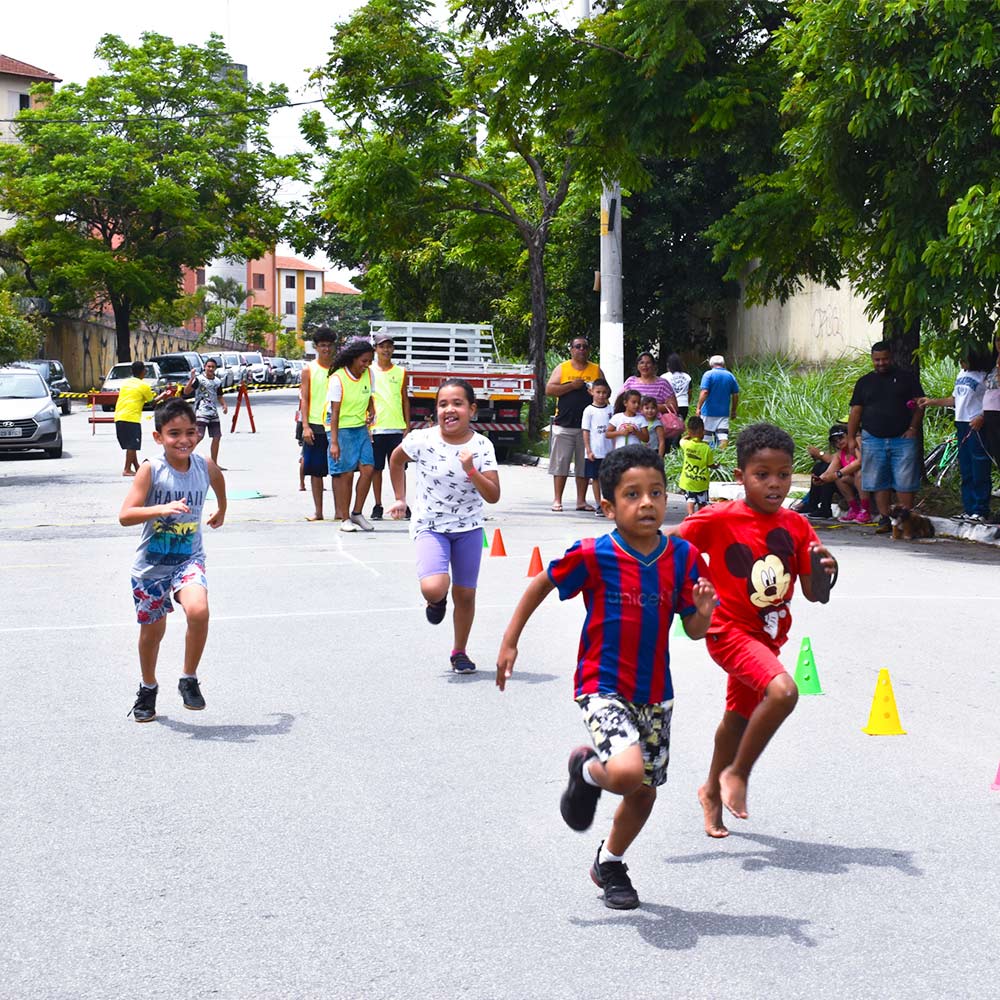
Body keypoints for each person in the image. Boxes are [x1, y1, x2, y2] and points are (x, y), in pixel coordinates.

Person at [496, 446, 717, 910]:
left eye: (656, 492)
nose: (647, 503)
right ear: (608, 506)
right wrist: (510, 640)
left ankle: (610, 862)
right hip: (602, 685)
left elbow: (695, 633)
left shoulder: (682, 557)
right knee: (626, 772)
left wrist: (701, 612)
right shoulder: (595, 554)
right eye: (632, 494)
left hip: (656, 693)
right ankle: (588, 771)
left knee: (643, 794)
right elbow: (542, 582)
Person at [673, 423, 837, 837]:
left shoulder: (797, 526)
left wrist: (827, 570)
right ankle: (737, 775)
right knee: (783, 691)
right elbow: (668, 546)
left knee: (737, 718)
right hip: (727, 631)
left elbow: (815, 594)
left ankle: (710, 790)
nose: (774, 484)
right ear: (740, 474)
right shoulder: (718, 518)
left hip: (767, 637)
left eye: (783, 474)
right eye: (761, 474)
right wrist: (685, 594)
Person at [119, 397, 227, 723]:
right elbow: (125, 515)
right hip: (151, 567)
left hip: (188, 560)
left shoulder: (204, 465)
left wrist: (222, 507)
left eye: (190, 432)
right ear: (158, 437)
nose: (184, 440)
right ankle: (148, 687)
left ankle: (189, 678)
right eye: (174, 433)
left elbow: (218, 481)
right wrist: (160, 509)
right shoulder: (152, 470)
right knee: (153, 633)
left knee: (199, 610)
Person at [387, 378, 500, 674]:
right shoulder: (421, 439)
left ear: (472, 410)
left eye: (457, 404)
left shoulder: (481, 445)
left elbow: (493, 495)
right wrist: (400, 498)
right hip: (431, 525)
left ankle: (459, 651)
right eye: (442, 404)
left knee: (465, 594)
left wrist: (471, 470)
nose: (449, 410)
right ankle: (436, 602)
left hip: (469, 528)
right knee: (435, 587)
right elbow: (396, 461)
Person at [846, 341, 925, 535]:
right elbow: (856, 412)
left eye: (885, 359)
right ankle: (884, 518)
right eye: (877, 360)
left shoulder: (907, 378)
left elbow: (920, 405)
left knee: (905, 480)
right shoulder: (864, 382)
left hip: (902, 438)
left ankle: (907, 519)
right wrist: (850, 437)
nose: (881, 363)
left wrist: (913, 428)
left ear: (892, 357)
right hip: (873, 438)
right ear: (872, 360)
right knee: (878, 481)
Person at [917, 343, 994, 523]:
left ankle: (980, 510)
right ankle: (969, 509)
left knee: (979, 468)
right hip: (961, 424)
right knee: (966, 468)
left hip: (976, 426)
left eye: (964, 358)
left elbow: (992, 401)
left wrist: (982, 416)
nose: (960, 362)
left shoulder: (986, 377)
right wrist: (931, 402)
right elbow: (954, 399)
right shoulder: (962, 374)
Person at [545, 337, 606, 512]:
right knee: (561, 463)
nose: (581, 350)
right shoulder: (562, 368)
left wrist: (593, 392)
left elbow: (605, 392)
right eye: (578, 346)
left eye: (585, 347)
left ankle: (581, 500)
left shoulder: (595, 370)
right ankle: (557, 500)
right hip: (564, 424)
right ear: (571, 349)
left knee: (583, 465)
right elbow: (549, 390)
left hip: (588, 428)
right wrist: (571, 386)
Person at [326, 339, 376, 532]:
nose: (366, 365)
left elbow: (370, 396)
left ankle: (357, 513)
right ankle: (345, 518)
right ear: (354, 359)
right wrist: (335, 443)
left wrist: (371, 409)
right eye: (364, 361)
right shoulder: (338, 378)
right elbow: (335, 412)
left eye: (370, 361)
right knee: (346, 474)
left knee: (369, 468)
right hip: (342, 428)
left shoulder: (369, 375)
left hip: (360, 428)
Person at [368, 331, 410, 520]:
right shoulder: (369, 371)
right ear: (376, 349)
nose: (386, 350)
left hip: (396, 428)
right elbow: (366, 398)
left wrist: (407, 426)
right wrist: (366, 424)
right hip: (376, 428)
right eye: (382, 346)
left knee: (399, 467)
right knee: (376, 469)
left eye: (389, 346)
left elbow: (404, 399)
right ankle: (377, 505)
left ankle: (401, 502)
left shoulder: (400, 372)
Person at [300, 327, 336, 521]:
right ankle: (318, 511)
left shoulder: (339, 368)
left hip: (337, 425)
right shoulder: (309, 369)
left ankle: (341, 511)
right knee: (316, 471)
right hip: (315, 424)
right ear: (316, 347)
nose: (326, 349)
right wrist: (305, 426)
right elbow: (304, 398)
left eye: (329, 345)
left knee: (339, 471)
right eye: (322, 345)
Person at [113, 361, 172, 477]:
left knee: (131, 444)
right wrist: (163, 395)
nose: (146, 371)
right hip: (131, 418)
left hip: (119, 416)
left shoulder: (126, 383)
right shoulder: (143, 386)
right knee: (132, 445)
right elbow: (152, 403)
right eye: (145, 370)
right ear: (142, 371)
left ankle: (136, 467)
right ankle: (127, 469)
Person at [621, 352, 681, 451]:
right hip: (634, 428)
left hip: (655, 429)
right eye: (642, 363)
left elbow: (673, 406)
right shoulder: (630, 381)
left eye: (648, 363)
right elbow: (621, 402)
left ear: (654, 365)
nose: (645, 366)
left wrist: (650, 407)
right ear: (637, 366)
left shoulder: (662, 383)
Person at [182, 357, 229, 467]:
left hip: (213, 412)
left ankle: (214, 463)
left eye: (212, 367)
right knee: (199, 436)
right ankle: (184, 455)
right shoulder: (199, 379)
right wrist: (191, 379)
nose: (210, 369)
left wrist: (224, 405)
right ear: (204, 367)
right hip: (201, 411)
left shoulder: (217, 381)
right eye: (208, 366)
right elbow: (186, 391)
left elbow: (219, 395)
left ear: (215, 368)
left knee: (217, 437)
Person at [581, 379, 613, 516]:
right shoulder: (589, 411)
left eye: (604, 392)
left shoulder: (612, 410)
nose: (601, 395)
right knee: (595, 478)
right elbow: (586, 431)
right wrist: (588, 450)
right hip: (595, 450)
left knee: (610, 478)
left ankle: (610, 502)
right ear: (591, 392)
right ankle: (598, 503)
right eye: (598, 392)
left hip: (609, 451)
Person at [695, 355, 740, 448]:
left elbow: (705, 392)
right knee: (723, 436)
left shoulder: (708, 375)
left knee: (706, 437)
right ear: (723, 364)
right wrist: (733, 410)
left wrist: (698, 407)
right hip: (724, 412)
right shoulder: (730, 376)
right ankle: (722, 456)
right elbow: (735, 394)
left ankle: (706, 457)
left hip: (709, 411)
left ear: (711, 364)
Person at [678, 415, 716, 516]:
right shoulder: (706, 448)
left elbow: (681, 440)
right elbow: (710, 464)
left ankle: (690, 515)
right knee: (702, 501)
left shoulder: (686, 444)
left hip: (688, 480)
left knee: (690, 499)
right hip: (701, 481)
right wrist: (716, 466)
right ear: (703, 431)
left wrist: (689, 435)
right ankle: (699, 516)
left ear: (689, 432)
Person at [662, 354, 692, 421]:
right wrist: (686, 402)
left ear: (668, 364)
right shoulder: (687, 377)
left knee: (669, 427)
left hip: (670, 406)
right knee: (680, 427)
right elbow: (689, 393)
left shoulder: (664, 377)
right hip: (684, 405)